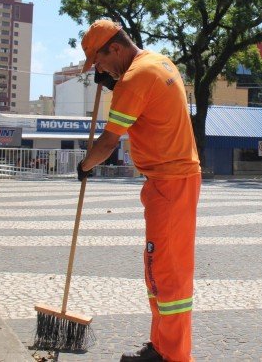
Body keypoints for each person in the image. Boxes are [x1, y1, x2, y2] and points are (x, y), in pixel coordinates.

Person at [77, 19, 201, 362]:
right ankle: (161, 346)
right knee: (159, 268)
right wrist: (116, 84)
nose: (99, 69)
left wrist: (85, 166)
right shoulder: (159, 62)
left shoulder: (134, 78)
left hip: (170, 182)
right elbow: (149, 107)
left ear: (114, 48)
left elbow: (108, 142)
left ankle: (173, 356)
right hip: (172, 180)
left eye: (99, 62)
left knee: (167, 274)